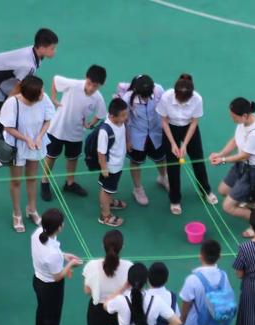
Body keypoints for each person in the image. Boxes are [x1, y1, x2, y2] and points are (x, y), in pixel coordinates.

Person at [0, 28, 58, 167]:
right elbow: (19, 86)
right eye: (52, 48)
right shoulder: (28, 65)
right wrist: (6, 106)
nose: (54, 51)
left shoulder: (35, 55)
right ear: (41, 48)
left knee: (2, 114)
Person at [41, 65, 107, 201]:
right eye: (89, 83)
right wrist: (54, 99)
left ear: (101, 85)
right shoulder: (73, 85)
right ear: (86, 78)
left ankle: (69, 183)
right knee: (51, 156)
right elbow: (55, 80)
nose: (90, 88)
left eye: (95, 86)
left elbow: (100, 114)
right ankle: (44, 182)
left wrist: (91, 124)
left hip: (76, 133)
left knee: (73, 158)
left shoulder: (98, 98)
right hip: (57, 129)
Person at [0, 75, 54, 232]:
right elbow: (8, 128)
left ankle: (32, 209)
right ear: (31, 97)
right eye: (40, 91)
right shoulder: (12, 103)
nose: (43, 92)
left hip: (35, 144)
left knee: (32, 178)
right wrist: (26, 139)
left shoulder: (43, 98)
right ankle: (17, 213)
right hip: (17, 146)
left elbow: (48, 120)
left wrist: (39, 137)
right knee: (16, 182)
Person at [156, 74, 217, 215]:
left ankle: (205, 191)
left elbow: (194, 122)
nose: (183, 103)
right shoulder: (166, 97)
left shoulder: (197, 99)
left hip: (190, 128)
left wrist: (184, 145)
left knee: (198, 160)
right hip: (170, 128)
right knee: (173, 164)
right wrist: (173, 144)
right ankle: (175, 199)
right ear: (175, 93)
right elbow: (164, 121)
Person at [209, 98, 255, 237]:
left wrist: (222, 160)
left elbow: (244, 156)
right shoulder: (244, 122)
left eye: (233, 117)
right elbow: (235, 140)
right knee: (223, 190)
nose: (232, 119)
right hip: (242, 165)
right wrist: (221, 154)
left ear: (244, 115)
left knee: (228, 206)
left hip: (254, 171)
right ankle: (254, 205)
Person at [31, 208, 82, 325]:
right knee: (51, 320)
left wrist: (64, 255)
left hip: (38, 280)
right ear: (59, 227)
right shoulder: (51, 253)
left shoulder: (37, 233)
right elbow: (58, 275)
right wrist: (71, 264)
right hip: (51, 287)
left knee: (42, 312)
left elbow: (52, 253)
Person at [121, 75, 169, 205]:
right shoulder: (127, 99)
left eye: (148, 95)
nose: (146, 98)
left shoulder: (159, 90)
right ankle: (138, 189)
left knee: (161, 157)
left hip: (156, 132)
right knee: (136, 162)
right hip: (137, 134)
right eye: (143, 96)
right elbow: (123, 121)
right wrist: (127, 140)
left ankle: (163, 178)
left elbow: (165, 110)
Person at [97, 98, 129, 227]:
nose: (125, 117)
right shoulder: (105, 131)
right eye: (122, 115)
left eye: (126, 114)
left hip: (118, 163)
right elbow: (101, 153)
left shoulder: (120, 123)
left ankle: (109, 202)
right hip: (110, 166)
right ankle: (105, 215)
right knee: (106, 190)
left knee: (109, 189)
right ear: (111, 116)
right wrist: (104, 168)